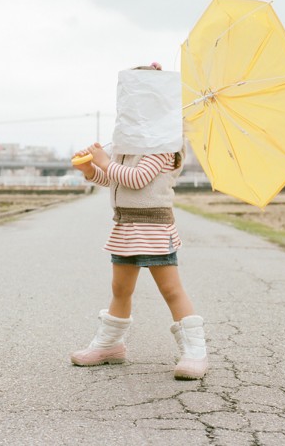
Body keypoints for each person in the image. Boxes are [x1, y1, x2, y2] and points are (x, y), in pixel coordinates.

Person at [69, 63, 208, 380]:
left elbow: (138, 179)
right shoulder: (127, 143)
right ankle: (109, 345)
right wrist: (92, 170)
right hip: (126, 226)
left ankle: (195, 352)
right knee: (119, 289)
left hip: (154, 228)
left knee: (171, 290)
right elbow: (114, 181)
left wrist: (105, 161)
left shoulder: (164, 146)